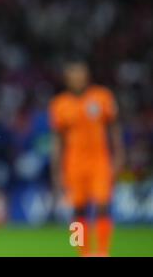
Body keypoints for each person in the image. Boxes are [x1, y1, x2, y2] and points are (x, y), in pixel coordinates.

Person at [49, 61, 125, 257]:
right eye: (73, 76)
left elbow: (114, 128)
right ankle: (82, 252)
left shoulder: (102, 97)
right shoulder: (60, 104)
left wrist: (119, 155)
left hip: (100, 160)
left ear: (87, 76)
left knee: (102, 205)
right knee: (77, 209)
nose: (77, 79)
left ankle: (102, 251)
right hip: (73, 163)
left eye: (80, 75)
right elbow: (57, 140)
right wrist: (56, 170)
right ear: (67, 80)